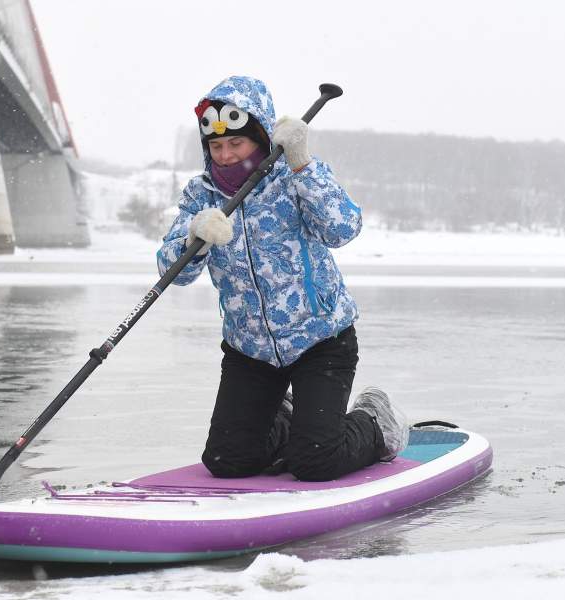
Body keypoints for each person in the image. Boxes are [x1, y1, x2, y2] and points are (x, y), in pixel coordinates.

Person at [157, 75, 409, 482]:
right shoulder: (201, 196)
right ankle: (291, 420)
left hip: (321, 340)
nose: (225, 155)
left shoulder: (294, 178)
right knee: (227, 462)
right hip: (249, 349)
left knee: (315, 462)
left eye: (236, 143)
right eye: (216, 146)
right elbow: (175, 275)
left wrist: (302, 163)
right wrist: (194, 238)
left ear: (260, 137)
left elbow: (343, 228)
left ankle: (375, 421)